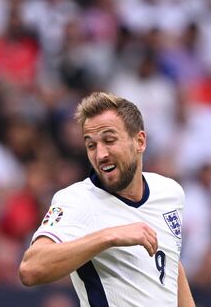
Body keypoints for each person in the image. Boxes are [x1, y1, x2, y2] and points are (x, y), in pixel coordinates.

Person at [19, 92, 195, 306]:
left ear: (139, 141)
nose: (100, 154)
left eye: (109, 140)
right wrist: (109, 236)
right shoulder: (77, 200)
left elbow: (171, 266)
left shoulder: (169, 192)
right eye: (91, 145)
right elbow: (31, 269)